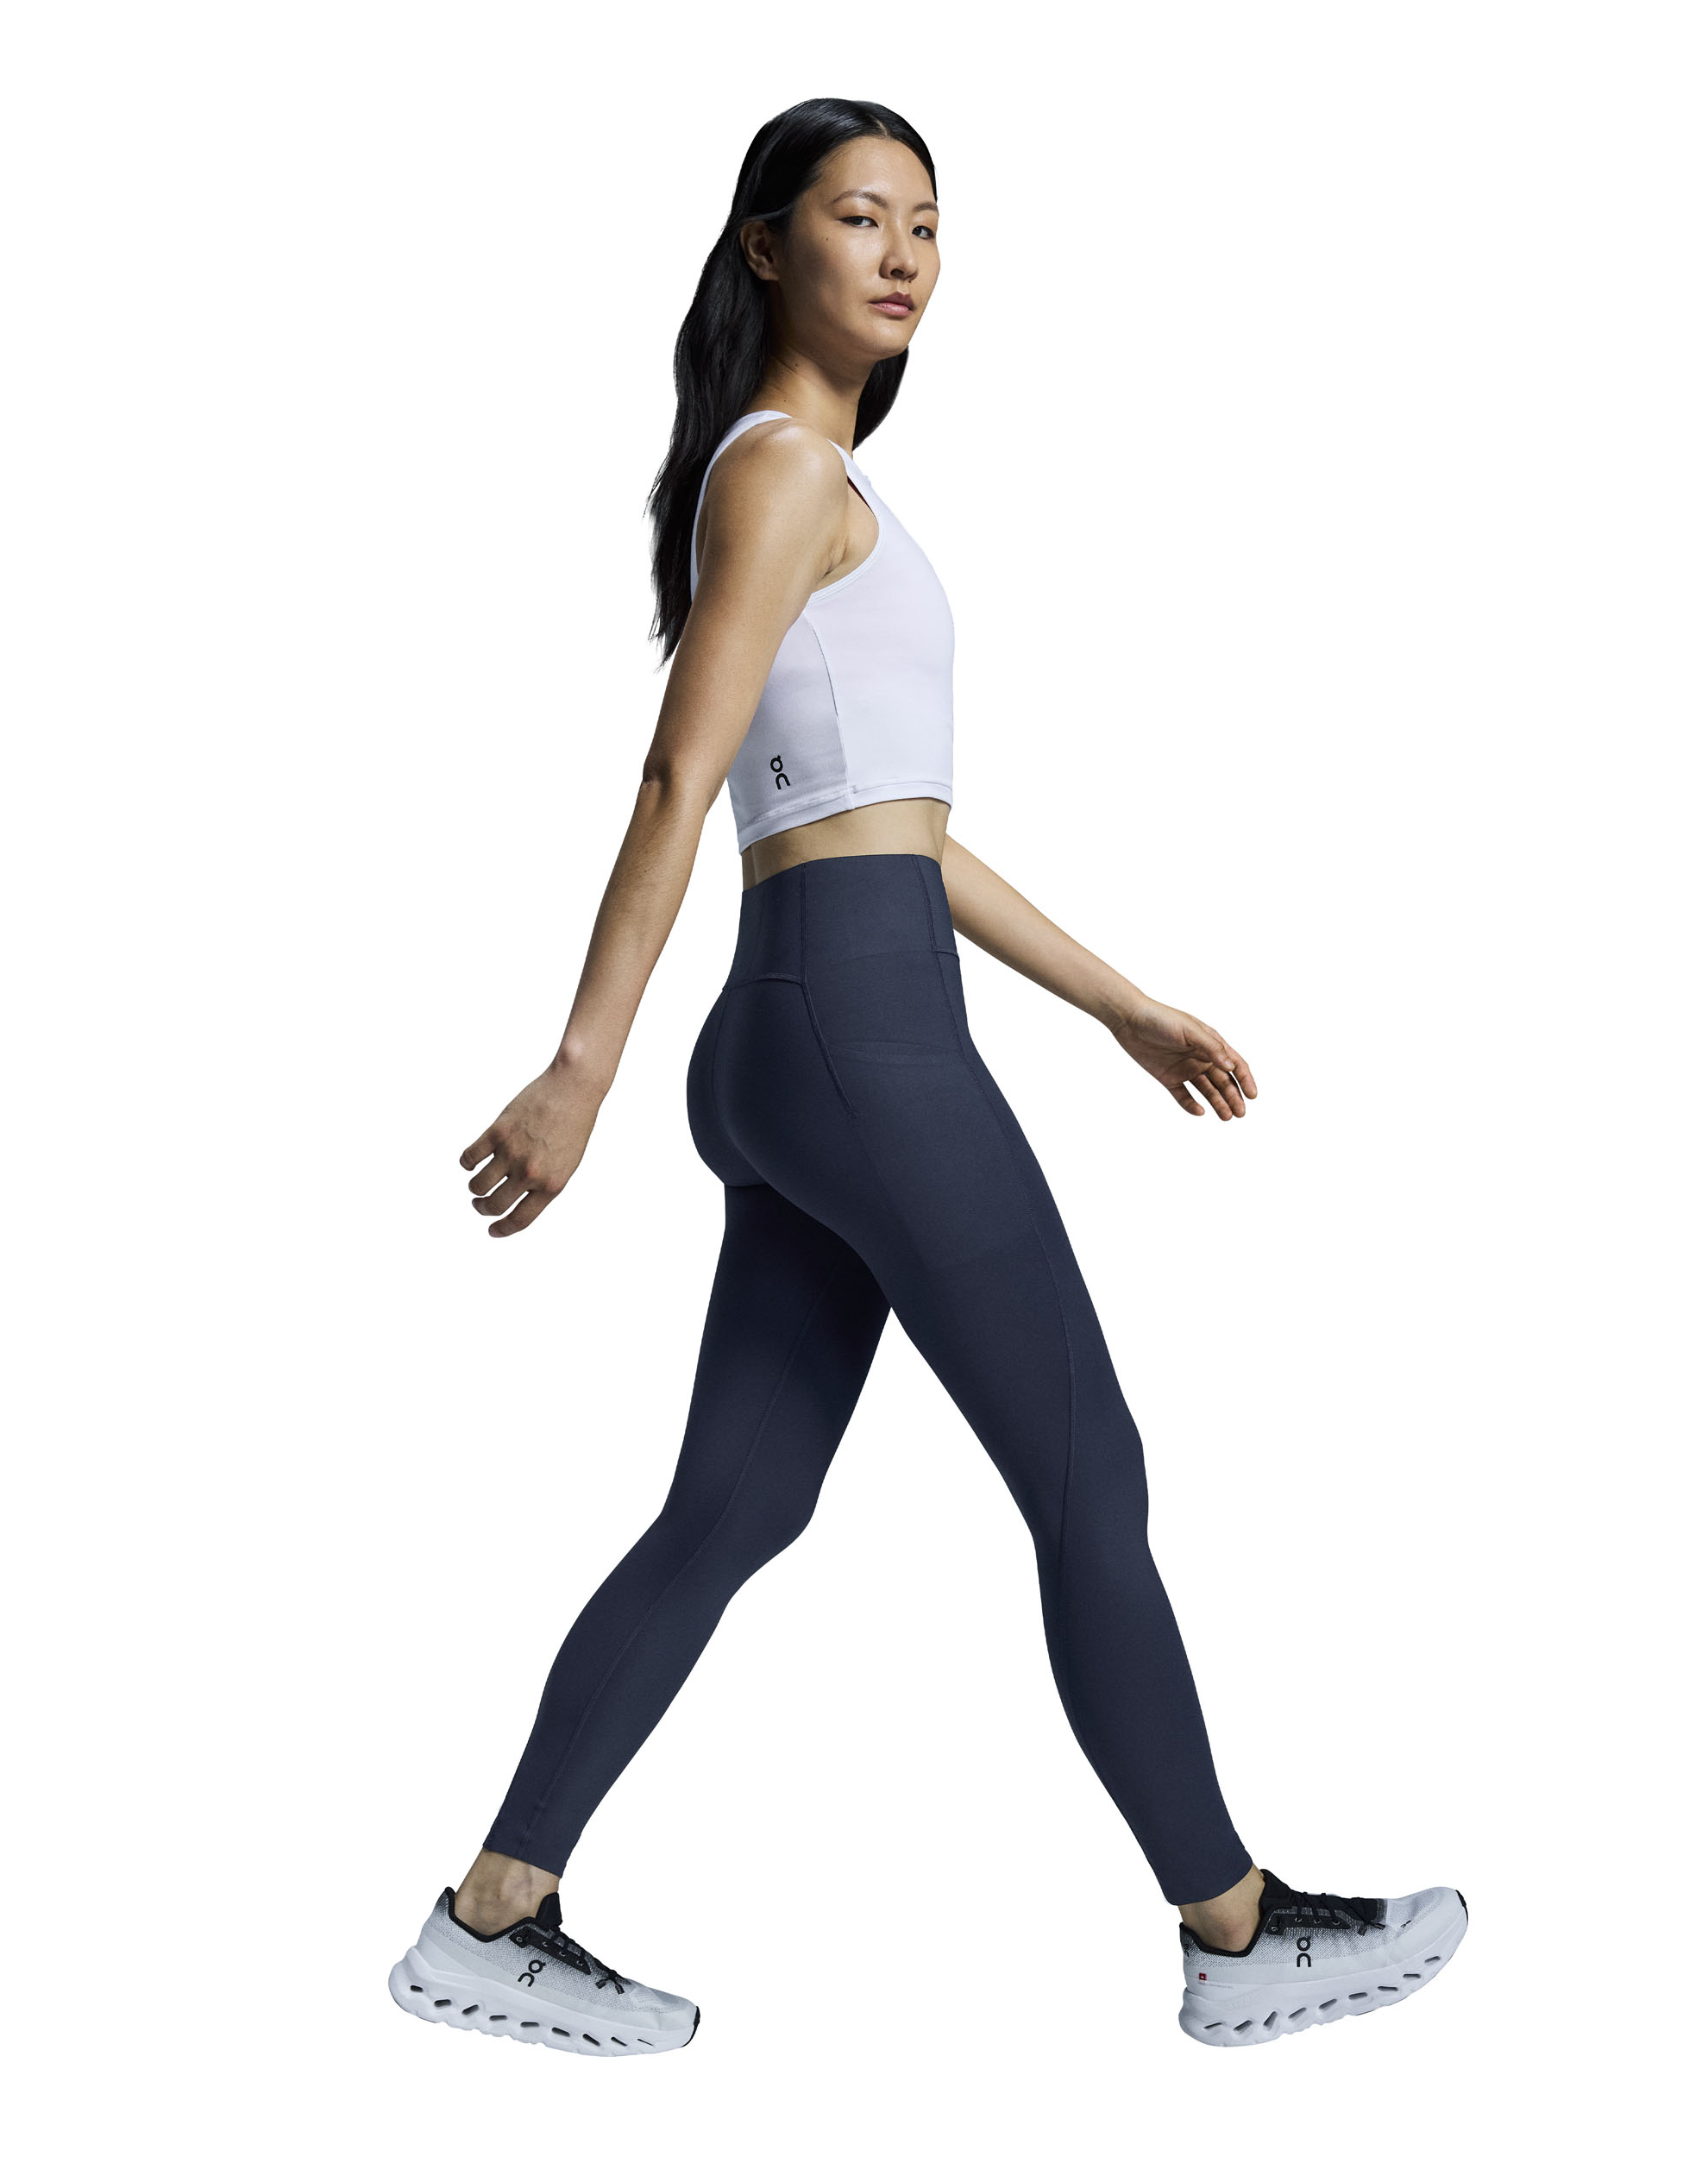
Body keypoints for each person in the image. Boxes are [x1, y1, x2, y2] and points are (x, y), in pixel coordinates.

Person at [387, 97, 1467, 2056]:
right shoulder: (786, 471)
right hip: (854, 1037)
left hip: (816, 1023)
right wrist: (575, 1068)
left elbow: (895, 829)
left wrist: (1120, 1002)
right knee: (1090, 1469)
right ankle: (1234, 1931)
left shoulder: (796, 480)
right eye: (857, 217)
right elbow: (679, 769)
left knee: (734, 1503)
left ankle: (492, 1912)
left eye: (927, 224)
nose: (902, 255)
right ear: (764, 247)